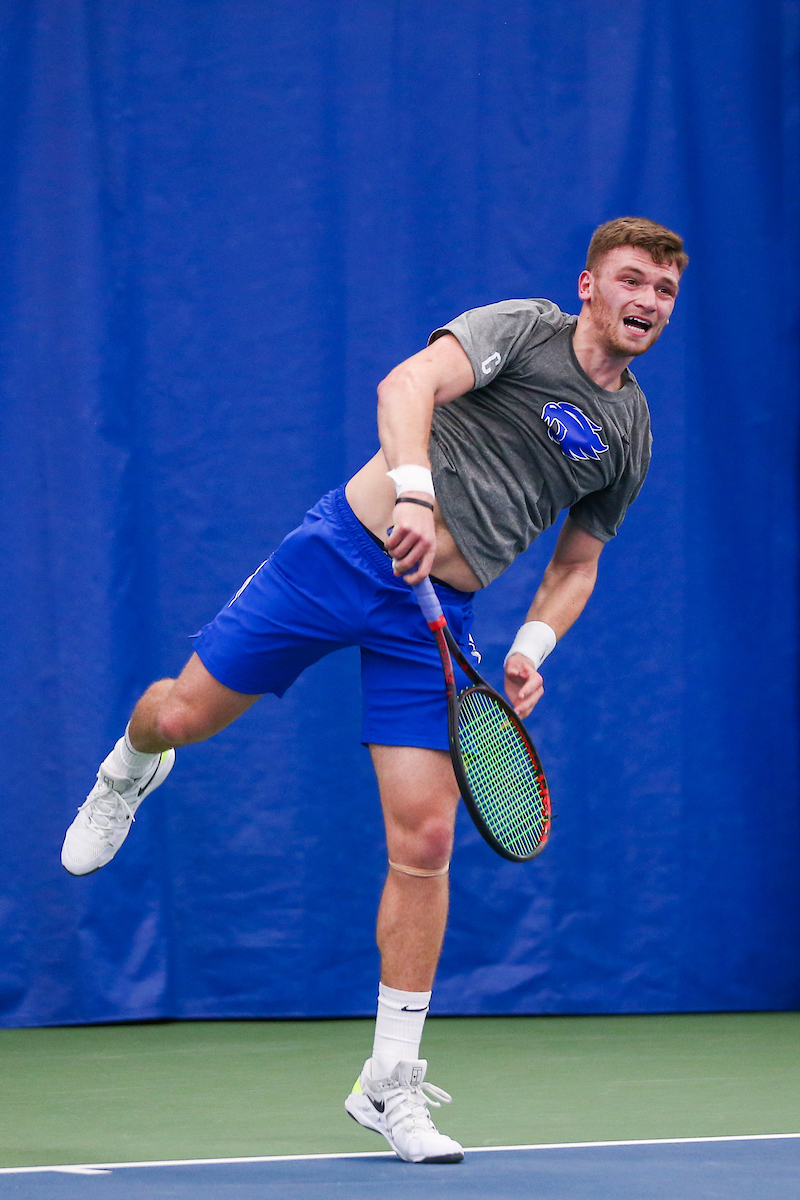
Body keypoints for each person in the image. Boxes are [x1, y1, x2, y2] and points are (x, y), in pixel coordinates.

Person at [61, 216, 687, 1164]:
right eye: (631, 280)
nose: (647, 302)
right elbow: (407, 385)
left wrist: (533, 644)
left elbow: (579, 561)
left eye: (665, 291)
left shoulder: (630, 431)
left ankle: (390, 1079)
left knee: (427, 836)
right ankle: (128, 769)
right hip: (343, 554)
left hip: (436, 619)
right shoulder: (522, 329)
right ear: (589, 285)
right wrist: (412, 492)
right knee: (180, 714)